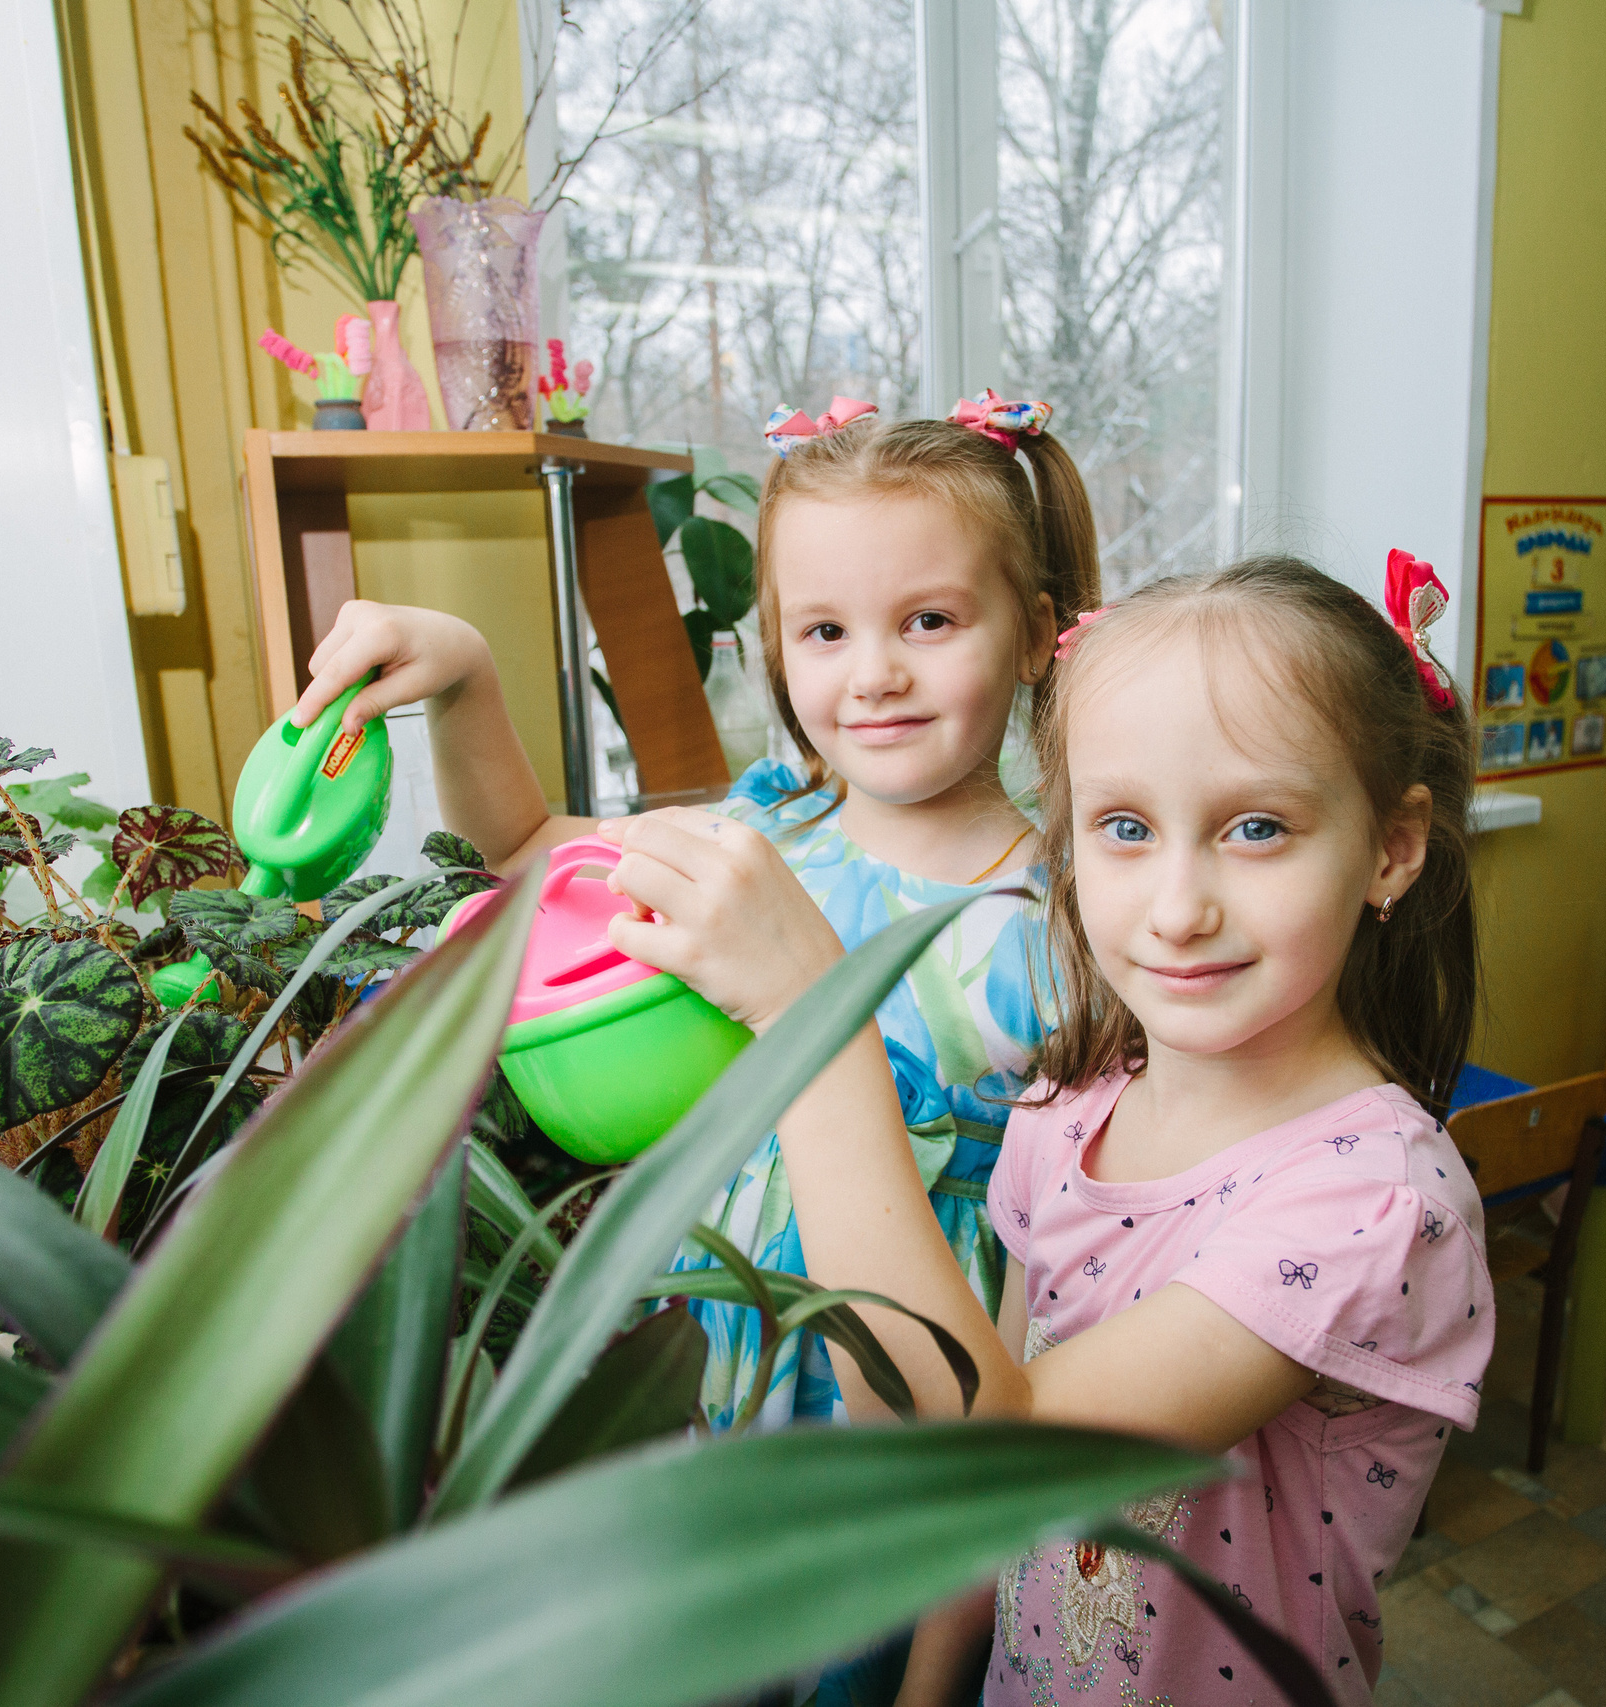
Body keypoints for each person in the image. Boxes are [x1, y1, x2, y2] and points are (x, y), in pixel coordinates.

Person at [596, 554, 1496, 1705]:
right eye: (1123, 826)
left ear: (1391, 847)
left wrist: (814, 1021)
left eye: (1257, 827)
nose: (1178, 907)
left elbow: (996, 1431)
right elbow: (953, 1461)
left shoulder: (1372, 1203)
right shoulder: (1068, 1111)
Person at [289, 392, 1098, 1436]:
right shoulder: (762, 838)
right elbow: (528, 848)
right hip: (721, 1333)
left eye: (929, 621)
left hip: (903, 1374)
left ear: (1035, 634)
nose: (874, 673)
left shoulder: (1063, 925)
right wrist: (464, 677)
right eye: (823, 630)